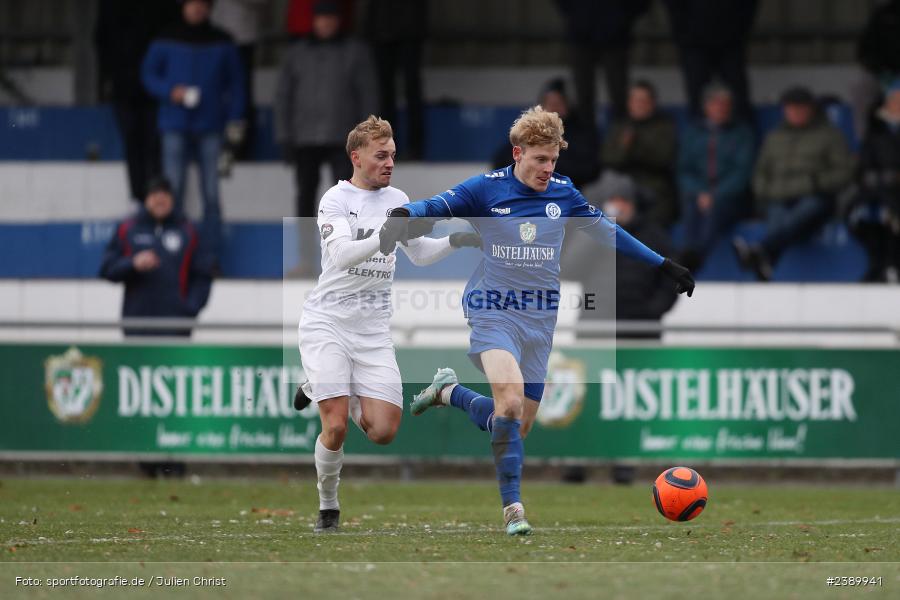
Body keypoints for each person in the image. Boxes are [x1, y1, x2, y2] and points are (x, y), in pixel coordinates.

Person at [380, 107, 695, 535]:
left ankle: (449, 391)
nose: (548, 169)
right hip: (492, 309)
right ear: (518, 153)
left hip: (540, 320)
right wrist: (405, 215)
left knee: (515, 425)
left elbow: (608, 231)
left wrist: (663, 265)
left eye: (553, 160)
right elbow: (438, 205)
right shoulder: (486, 189)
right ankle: (513, 510)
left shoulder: (564, 193)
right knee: (509, 404)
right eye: (540, 160)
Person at [292, 116, 481, 533]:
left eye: (393, 155)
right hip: (329, 321)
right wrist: (386, 234)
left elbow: (418, 253)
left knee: (383, 431)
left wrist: (455, 240)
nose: (389, 162)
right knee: (336, 425)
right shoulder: (335, 200)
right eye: (381, 155)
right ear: (356, 157)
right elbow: (341, 256)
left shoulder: (397, 196)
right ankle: (328, 506)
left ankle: (325, 384)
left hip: (372, 330)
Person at [275, 0, 377, 276]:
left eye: (331, 18)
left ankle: (346, 260)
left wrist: (367, 140)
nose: (326, 23)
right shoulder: (297, 53)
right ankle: (307, 260)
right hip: (304, 138)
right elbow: (283, 96)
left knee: (348, 201)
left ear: (339, 20)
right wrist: (285, 136)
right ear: (314, 21)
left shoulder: (356, 51)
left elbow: (368, 96)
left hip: (344, 138)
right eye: (321, 18)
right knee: (305, 201)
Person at [141, 0, 246, 263]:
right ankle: (173, 256)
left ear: (209, 8)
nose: (197, 9)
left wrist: (234, 120)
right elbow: (147, 74)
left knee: (211, 194)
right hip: (174, 124)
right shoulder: (166, 37)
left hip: (211, 127)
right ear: (183, 6)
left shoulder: (223, 41)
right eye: (192, 4)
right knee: (173, 190)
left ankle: (209, 258)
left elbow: (237, 84)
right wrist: (169, 91)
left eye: (202, 4)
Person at [734, 87, 855, 281]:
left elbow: (844, 171)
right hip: (778, 197)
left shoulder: (829, 135)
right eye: (791, 108)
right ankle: (764, 263)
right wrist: (765, 191)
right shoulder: (774, 137)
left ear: (811, 110)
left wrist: (815, 183)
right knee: (778, 217)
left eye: (800, 108)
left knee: (804, 211)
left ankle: (760, 250)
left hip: (815, 197)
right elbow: (760, 172)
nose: (796, 113)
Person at [99, 176, 213, 338]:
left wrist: (189, 309)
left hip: (177, 327)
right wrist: (133, 263)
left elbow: (203, 275)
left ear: (172, 199)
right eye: (155, 196)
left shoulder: (189, 231)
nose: (160, 201)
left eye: (164, 197)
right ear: (146, 199)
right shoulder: (127, 229)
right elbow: (107, 269)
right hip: (136, 326)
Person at [94, 0, 180, 202]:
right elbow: (101, 39)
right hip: (124, 87)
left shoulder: (163, 6)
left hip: (157, 89)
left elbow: (172, 37)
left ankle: (157, 199)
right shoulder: (111, 5)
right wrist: (111, 74)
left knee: (154, 145)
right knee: (132, 142)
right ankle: (139, 200)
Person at [677, 83, 755, 269]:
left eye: (724, 104)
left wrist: (716, 194)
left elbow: (742, 172)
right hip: (700, 194)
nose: (720, 109)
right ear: (706, 107)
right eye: (715, 104)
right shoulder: (694, 133)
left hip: (730, 197)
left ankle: (696, 257)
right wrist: (699, 192)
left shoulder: (742, 133)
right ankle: (688, 251)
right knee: (690, 203)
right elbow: (684, 169)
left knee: (715, 209)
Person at [553, 0, 651, 125]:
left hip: (617, 36)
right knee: (583, 98)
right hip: (580, 34)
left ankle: (620, 140)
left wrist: (623, 17)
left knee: (619, 97)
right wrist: (576, 15)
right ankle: (586, 141)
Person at [492, 78, 599, 189]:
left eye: (558, 103)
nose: (554, 108)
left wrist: (545, 166)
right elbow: (501, 160)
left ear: (567, 105)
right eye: (549, 103)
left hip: (568, 191)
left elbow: (590, 169)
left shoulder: (581, 133)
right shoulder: (530, 130)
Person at [663, 0, 757, 119]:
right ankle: (698, 136)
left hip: (731, 42)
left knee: (739, 98)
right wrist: (683, 34)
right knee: (697, 98)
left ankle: (742, 135)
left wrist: (740, 30)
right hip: (694, 43)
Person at [602, 81, 679, 226]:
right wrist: (623, 147)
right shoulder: (620, 126)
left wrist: (635, 146)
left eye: (643, 100)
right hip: (620, 182)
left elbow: (662, 160)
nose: (639, 104)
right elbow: (607, 159)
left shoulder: (664, 127)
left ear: (652, 103)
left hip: (652, 184)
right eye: (635, 100)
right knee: (593, 192)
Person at [847, 81, 900, 282]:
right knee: (860, 214)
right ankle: (878, 264)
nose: (897, 104)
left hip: (896, 192)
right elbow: (862, 167)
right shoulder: (875, 130)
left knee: (892, 211)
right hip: (875, 191)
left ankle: (892, 265)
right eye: (894, 100)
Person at [364, 0, 428, 160]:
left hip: (409, 27)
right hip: (383, 28)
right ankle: (387, 145)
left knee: (411, 89)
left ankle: (415, 147)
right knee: (385, 92)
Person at [211, 0, 269, 161]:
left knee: (242, 95)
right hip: (212, 35)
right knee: (213, 92)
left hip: (242, 37)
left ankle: (241, 149)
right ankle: (217, 148)